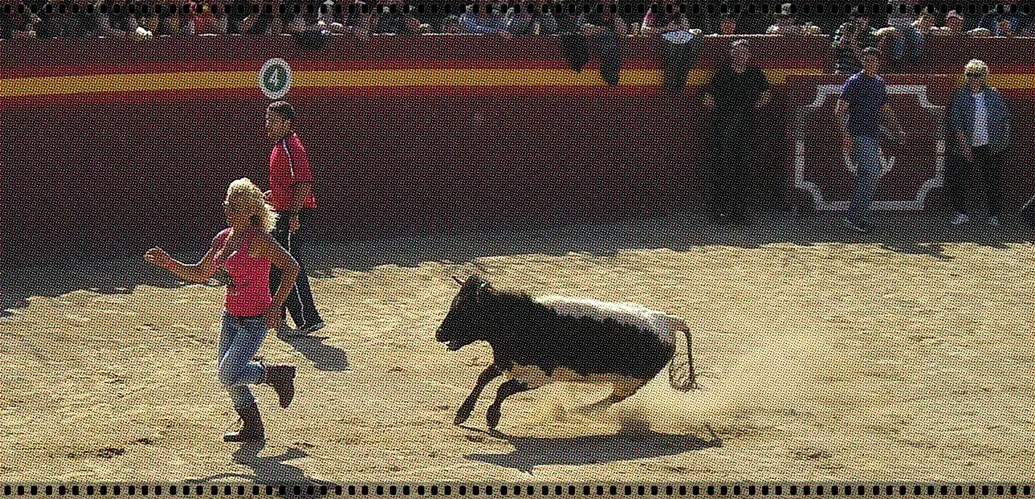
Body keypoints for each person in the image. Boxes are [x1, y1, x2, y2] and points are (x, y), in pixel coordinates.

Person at [143, 178, 300, 442]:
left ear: (251, 211)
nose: (229, 211)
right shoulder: (223, 238)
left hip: (255, 319)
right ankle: (252, 427)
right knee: (230, 377)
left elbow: (291, 267)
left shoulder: (259, 240)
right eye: (228, 205)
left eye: (236, 207)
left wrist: (276, 306)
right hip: (230, 316)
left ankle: (276, 374)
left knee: (228, 374)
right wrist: (169, 263)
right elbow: (200, 273)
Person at [264, 101, 327, 337]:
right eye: (267, 119)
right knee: (276, 263)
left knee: (289, 264)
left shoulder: (291, 147)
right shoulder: (280, 146)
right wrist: (273, 195)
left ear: (286, 123)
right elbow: (289, 185)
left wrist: (293, 215)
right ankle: (278, 317)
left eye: (273, 120)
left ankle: (308, 320)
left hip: (291, 215)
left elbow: (304, 184)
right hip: (283, 213)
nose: (268, 125)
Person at [834, 47, 906, 233]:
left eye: (873, 60)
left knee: (867, 175)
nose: (870, 62)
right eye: (867, 59)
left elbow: (884, 108)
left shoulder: (879, 82)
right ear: (862, 61)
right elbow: (840, 110)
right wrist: (846, 136)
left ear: (878, 62)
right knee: (872, 173)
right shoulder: (854, 81)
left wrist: (897, 128)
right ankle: (854, 217)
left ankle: (857, 217)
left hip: (871, 134)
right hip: (859, 133)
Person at [701, 38, 771, 226]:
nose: (741, 55)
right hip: (726, 124)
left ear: (749, 55)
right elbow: (707, 99)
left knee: (742, 168)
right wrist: (726, 113)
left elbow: (766, 95)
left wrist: (749, 109)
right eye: (738, 52)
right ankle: (720, 211)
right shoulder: (722, 73)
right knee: (723, 168)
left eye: (744, 52)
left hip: (743, 124)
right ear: (731, 54)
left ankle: (737, 212)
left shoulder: (754, 73)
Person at [946, 59, 1010, 227]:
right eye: (970, 75)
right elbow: (957, 122)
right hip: (966, 144)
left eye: (977, 75)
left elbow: (1004, 118)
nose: (973, 79)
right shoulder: (960, 95)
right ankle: (961, 212)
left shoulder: (994, 94)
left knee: (992, 180)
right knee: (958, 180)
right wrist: (965, 147)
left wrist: (1002, 143)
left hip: (990, 145)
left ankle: (994, 215)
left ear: (983, 77)